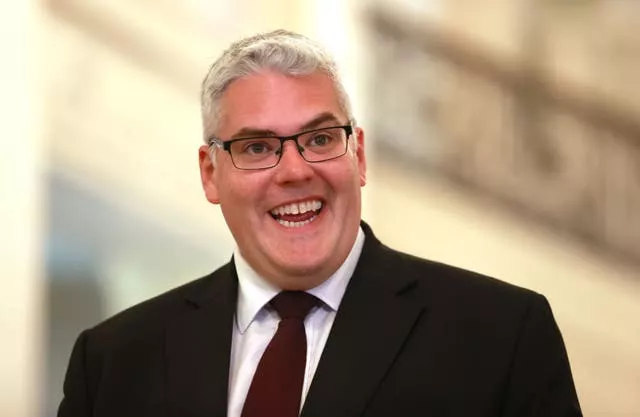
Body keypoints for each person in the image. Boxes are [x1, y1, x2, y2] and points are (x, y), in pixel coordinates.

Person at [58, 30, 582, 417]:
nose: (295, 170)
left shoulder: (501, 337)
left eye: (320, 138)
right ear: (210, 174)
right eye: (257, 147)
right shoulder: (113, 362)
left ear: (359, 154)